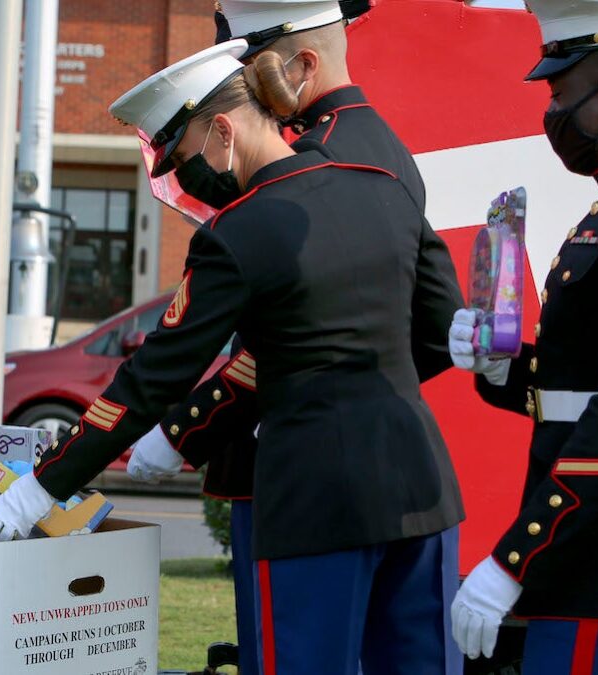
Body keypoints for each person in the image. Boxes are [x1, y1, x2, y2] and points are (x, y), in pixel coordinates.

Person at [0, 38, 464, 675]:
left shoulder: (237, 233)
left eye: (186, 157)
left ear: (223, 131)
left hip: (312, 498)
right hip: (420, 484)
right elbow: (438, 333)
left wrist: (44, 486)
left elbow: (149, 380)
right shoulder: (383, 185)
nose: (189, 178)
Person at [126, 2, 464, 672]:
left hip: (310, 471)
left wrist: (185, 429)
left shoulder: (325, 156)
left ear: (301, 65)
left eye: (248, 70)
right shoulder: (369, 146)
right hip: (335, 461)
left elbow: (327, 333)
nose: (240, 93)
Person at [447, 0, 598, 669]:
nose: (553, 117)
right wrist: (499, 366)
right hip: (575, 551)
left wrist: (517, 556)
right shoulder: (596, 214)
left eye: (566, 96)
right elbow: (572, 381)